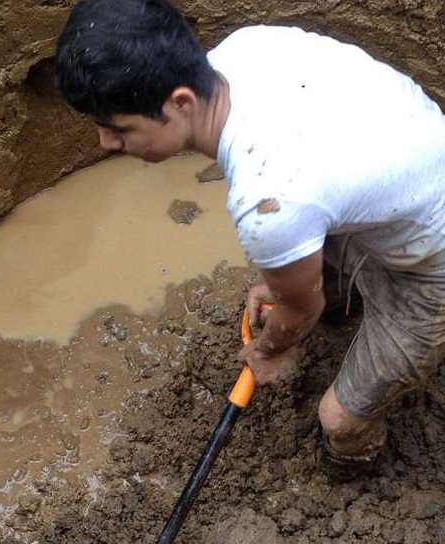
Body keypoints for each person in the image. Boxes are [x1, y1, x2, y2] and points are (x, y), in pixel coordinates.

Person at [55, 0, 445, 475]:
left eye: (118, 128)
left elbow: (302, 306)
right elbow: (310, 182)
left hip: (430, 266)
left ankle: (352, 471)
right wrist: (284, 280)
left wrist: (272, 347)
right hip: (408, 187)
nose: (106, 143)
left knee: (339, 420)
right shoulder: (244, 50)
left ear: (180, 103)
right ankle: (347, 301)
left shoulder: (270, 198)